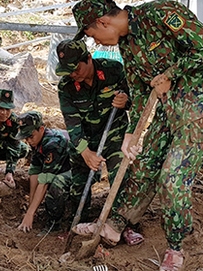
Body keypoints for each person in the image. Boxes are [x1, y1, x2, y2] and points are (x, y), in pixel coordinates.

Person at [71, 0, 203, 271]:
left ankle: (175, 245)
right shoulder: (127, 44)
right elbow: (138, 88)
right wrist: (133, 133)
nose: (94, 42)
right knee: (143, 166)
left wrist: (172, 73)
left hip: (198, 106)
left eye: (91, 34)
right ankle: (113, 225)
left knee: (172, 177)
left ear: (102, 21)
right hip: (166, 109)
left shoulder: (160, 13)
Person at [55, 39, 142, 244]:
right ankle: (79, 225)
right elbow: (72, 123)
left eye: (75, 69)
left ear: (88, 59)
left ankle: (123, 225)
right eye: (67, 70)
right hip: (83, 139)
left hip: (113, 134)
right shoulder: (66, 86)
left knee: (121, 175)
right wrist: (86, 153)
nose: (72, 74)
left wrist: (125, 101)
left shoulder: (113, 69)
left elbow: (135, 99)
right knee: (79, 186)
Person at [15, 111, 72, 233]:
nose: (28, 141)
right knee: (48, 178)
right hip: (60, 167)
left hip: (81, 170)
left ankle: (54, 225)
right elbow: (35, 172)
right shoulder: (36, 141)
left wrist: (30, 214)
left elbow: (44, 182)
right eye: (26, 138)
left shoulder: (53, 144)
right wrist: (31, 208)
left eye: (30, 136)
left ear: (41, 129)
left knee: (57, 184)